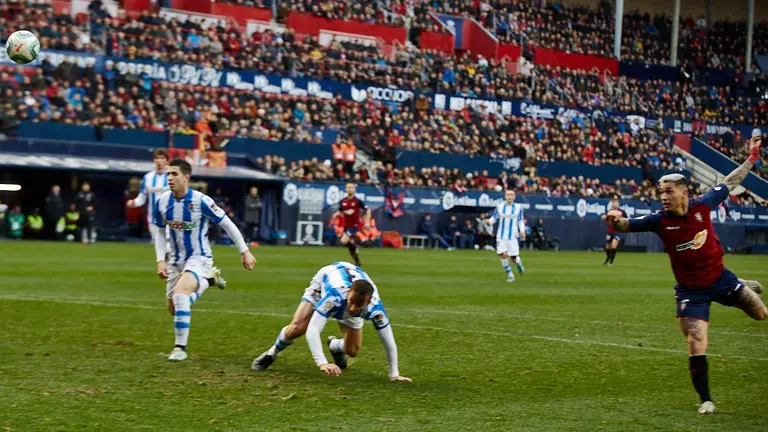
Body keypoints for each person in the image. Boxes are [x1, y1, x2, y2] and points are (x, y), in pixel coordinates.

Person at [604, 137, 766, 415]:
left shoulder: (704, 205)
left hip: (721, 279)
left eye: (668, 191)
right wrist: (613, 219)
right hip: (691, 292)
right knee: (695, 341)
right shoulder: (658, 220)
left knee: (761, 314)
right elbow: (625, 226)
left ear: (683, 192)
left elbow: (729, 181)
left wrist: (752, 158)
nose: (663, 196)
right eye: (660, 192)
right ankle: (706, 399)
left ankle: (739, 283)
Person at [153, 159, 257, 361]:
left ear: (187, 177)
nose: (170, 178)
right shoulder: (163, 201)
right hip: (175, 260)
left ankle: (179, 348)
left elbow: (227, 224)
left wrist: (244, 251)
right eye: (168, 174)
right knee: (174, 309)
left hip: (199, 257)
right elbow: (158, 231)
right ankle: (209, 280)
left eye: (174, 174)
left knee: (181, 294)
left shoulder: (201, 201)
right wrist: (160, 260)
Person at [251, 262, 411, 382]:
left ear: (368, 303)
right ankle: (272, 353)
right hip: (325, 280)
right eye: (351, 302)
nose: (354, 307)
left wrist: (394, 374)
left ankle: (335, 346)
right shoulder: (333, 296)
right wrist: (322, 363)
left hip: (350, 292)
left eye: (359, 305)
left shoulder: (375, 309)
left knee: (353, 350)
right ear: (349, 292)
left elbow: (388, 341)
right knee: (298, 328)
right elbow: (313, 330)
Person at [127, 149, 169, 242]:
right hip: (153, 217)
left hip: (171, 217)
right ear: (154, 161)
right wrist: (134, 202)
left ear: (167, 161)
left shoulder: (172, 176)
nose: (159, 161)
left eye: (162, 158)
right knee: (159, 246)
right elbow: (142, 198)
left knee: (171, 247)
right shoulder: (148, 177)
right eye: (157, 158)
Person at [485, 189, 526, 282]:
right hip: (501, 236)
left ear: (514, 197)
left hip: (513, 236)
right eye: (508, 195)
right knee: (503, 255)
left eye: (511, 195)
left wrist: (522, 231)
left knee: (513, 258)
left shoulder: (518, 207)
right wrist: (489, 221)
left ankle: (519, 263)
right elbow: (494, 217)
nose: (509, 197)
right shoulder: (500, 206)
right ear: (505, 196)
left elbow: (520, 220)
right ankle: (511, 275)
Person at [331, 183, 371, 266]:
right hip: (346, 226)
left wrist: (367, 222)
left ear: (354, 189)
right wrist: (335, 215)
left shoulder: (357, 201)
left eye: (351, 187)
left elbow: (367, 210)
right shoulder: (343, 201)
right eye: (348, 187)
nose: (349, 189)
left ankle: (356, 246)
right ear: (346, 189)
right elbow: (340, 210)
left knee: (343, 240)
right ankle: (357, 260)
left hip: (354, 225)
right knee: (350, 246)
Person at [601, 196, 626, 266]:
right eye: (613, 202)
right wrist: (603, 218)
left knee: (614, 245)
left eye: (616, 202)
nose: (615, 204)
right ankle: (608, 257)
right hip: (610, 231)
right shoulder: (609, 212)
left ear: (618, 203)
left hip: (618, 231)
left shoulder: (621, 212)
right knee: (607, 247)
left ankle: (611, 262)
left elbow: (627, 219)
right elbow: (606, 219)